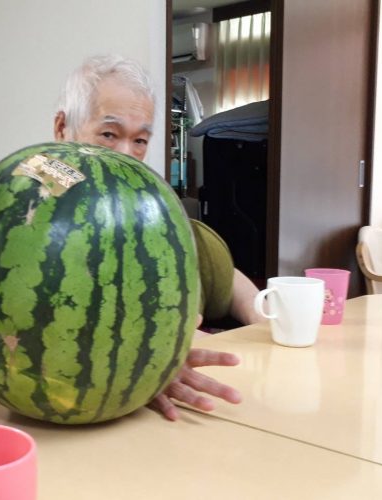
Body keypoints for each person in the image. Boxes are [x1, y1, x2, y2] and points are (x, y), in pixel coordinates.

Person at [53, 54, 255, 418]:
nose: (126, 155)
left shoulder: (153, 216)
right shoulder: (36, 209)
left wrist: (269, 320)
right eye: (109, 134)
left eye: (140, 140)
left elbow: (224, 275)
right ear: (62, 128)